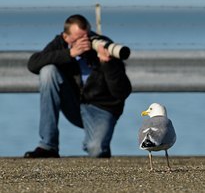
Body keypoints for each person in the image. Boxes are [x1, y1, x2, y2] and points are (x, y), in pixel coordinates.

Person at [24, 14, 132, 158]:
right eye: (77, 39)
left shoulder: (103, 44)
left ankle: (100, 143)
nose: (83, 42)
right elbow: (33, 64)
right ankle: (48, 146)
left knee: (97, 150)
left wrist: (108, 64)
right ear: (66, 37)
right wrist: (70, 53)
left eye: (86, 37)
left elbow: (122, 92)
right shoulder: (60, 44)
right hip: (74, 104)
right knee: (48, 71)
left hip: (101, 108)